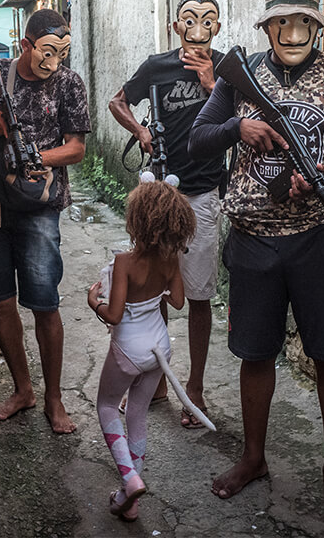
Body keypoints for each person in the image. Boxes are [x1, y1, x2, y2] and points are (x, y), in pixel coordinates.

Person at [189, 0, 324, 523]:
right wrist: (238, 128)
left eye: (304, 22)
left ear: (317, 27)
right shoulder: (241, 76)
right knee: (255, 353)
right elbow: (198, 140)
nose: (293, 32)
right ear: (268, 26)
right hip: (254, 238)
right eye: (283, 22)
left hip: (321, 237)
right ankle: (252, 457)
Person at [0, 9, 91, 434]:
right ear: (26, 45)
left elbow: (77, 149)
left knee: (44, 302)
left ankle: (53, 399)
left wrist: (35, 158)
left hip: (39, 205)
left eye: (62, 53)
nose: (53, 63)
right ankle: (23, 390)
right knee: (0, 299)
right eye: (46, 52)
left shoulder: (69, 83)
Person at [108, 0, 225, 428]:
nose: (198, 30)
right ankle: (156, 379)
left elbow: (245, 116)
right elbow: (118, 101)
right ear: (176, 26)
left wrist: (213, 84)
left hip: (202, 192)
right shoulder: (156, 67)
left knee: (198, 295)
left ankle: (193, 388)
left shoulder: (228, 68)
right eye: (189, 21)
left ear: (217, 26)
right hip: (159, 194)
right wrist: (140, 130)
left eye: (207, 21)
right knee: (153, 289)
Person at [86, 181, 195, 521]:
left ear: (137, 220)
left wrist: (93, 303)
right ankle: (129, 502)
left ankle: (130, 479)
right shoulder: (172, 260)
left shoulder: (124, 262)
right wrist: (157, 292)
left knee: (106, 406)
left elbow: (114, 315)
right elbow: (177, 302)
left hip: (128, 348)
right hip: (159, 347)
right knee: (137, 414)